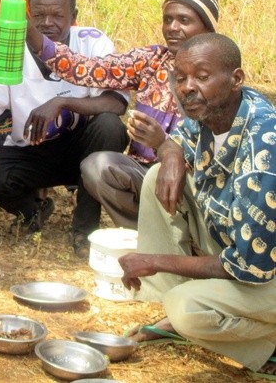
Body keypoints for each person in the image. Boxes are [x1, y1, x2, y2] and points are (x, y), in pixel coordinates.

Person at [118, 33, 276, 378]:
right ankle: (171, 308)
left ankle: (267, 344)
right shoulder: (215, 113)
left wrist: (154, 260)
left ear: (236, 79)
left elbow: (249, 267)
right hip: (236, 243)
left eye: (202, 77)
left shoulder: (264, 152)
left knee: (187, 309)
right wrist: (170, 153)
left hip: (264, 271)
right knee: (156, 177)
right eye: (181, 77)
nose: (187, 87)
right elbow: (180, 139)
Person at [0, 0, 128, 253]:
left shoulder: (93, 43)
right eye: (40, 15)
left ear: (73, 16)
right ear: (29, 16)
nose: (47, 23)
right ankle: (32, 210)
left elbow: (116, 103)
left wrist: (62, 103)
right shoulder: (14, 48)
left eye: (57, 15)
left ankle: (85, 229)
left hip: (81, 153)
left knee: (109, 127)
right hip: (32, 151)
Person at [42, 0, 219, 229]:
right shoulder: (153, 60)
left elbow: (219, 151)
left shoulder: (218, 76)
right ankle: (144, 232)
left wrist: (163, 143)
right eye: (168, 19)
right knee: (97, 167)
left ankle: (190, 233)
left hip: (192, 180)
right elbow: (90, 69)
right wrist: (37, 39)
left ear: (207, 28)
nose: (173, 28)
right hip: (144, 173)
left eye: (184, 20)